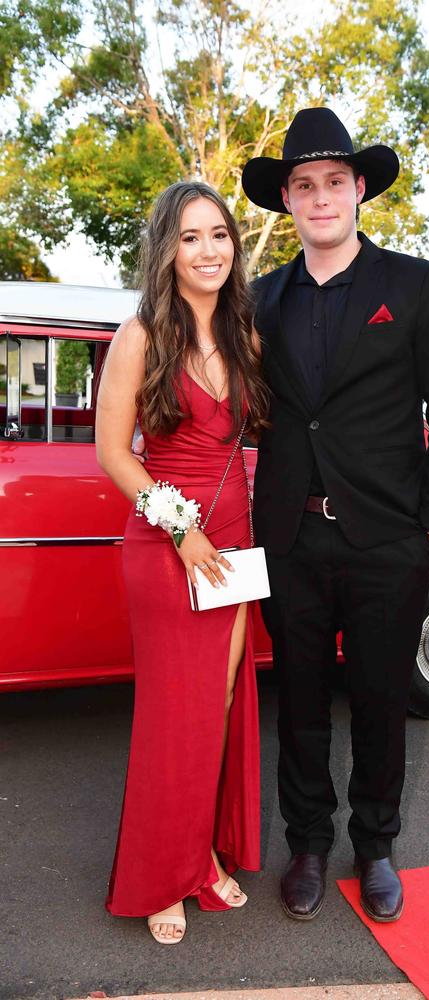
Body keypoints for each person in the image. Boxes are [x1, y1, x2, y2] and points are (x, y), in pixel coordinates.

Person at [241, 108, 429, 923]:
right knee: (299, 702)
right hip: (291, 537)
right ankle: (308, 842)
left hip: (387, 541)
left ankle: (375, 846)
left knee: (380, 700)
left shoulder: (415, 285)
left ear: (359, 189)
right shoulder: (260, 299)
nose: (319, 198)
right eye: (302, 185)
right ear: (287, 201)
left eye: (333, 182)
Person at [96, 180, 268, 944]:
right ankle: (162, 878)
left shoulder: (245, 334)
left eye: (220, 235)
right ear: (168, 248)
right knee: (176, 718)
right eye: (192, 237)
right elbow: (112, 454)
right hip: (172, 549)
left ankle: (198, 856)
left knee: (221, 711)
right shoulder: (141, 334)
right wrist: (181, 531)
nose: (209, 251)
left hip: (233, 544)